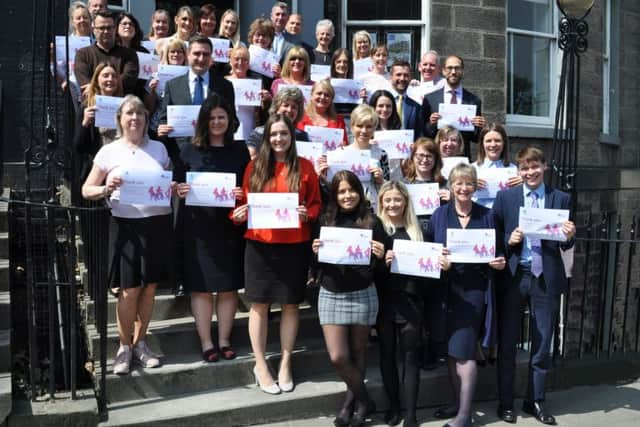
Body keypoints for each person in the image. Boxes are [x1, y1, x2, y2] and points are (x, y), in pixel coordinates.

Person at [81, 95, 174, 375]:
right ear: (120, 119)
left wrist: (176, 187)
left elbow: (166, 182)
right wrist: (107, 188)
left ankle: (141, 343)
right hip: (125, 226)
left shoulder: (159, 149)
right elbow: (87, 190)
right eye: (129, 114)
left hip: (157, 225)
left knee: (149, 289)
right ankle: (124, 347)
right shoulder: (109, 151)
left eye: (140, 114)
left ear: (147, 119)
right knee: (129, 289)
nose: (135, 118)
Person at [232, 114, 321, 395]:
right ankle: (260, 364)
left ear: (291, 137)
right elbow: (241, 204)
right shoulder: (255, 166)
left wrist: (309, 214)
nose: (279, 139)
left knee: (291, 305)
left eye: (284, 134)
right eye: (274, 135)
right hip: (260, 245)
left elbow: (316, 204)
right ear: (267, 138)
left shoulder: (305, 167)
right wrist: (237, 214)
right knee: (258, 305)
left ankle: (285, 362)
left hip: (295, 244)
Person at [492, 146, 576, 425]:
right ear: (519, 171)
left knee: (542, 343)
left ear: (544, 166)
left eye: (535, 166)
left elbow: (566, 242)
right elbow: (494, 238)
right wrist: (509, 240)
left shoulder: (560, 198)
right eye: (524, 168)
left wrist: (569, 236)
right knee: (507, 343)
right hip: (516, 275)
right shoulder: (506, 198)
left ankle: (534, 401)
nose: (530, 172)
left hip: (546, 278)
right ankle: (505, 403)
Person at [427, 163, 505, 427]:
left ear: (475, 186)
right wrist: (439, 261)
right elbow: (428, 250)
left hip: (473, 292)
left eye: (469, 183)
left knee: (464, 352)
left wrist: (499, 262)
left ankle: (465, 414)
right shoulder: (439, 215)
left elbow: (500, 252)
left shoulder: (488, 216)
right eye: (458, 183)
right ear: (451, 186)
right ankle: (456, 403)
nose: (463, 188)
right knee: (451, 350)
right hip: (445, 290)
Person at [174, 94, 249, 363]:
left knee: (228, 287)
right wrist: (179, 190)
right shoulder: (187, 150)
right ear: (203, 121)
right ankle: (207, 342)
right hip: (197, 229)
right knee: (201, 287)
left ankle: (225, 339)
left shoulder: (240, 150)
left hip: (229, 227)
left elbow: (250, 186)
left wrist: (243, 193)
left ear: (230, 120)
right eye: (212, 117)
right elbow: (176, 186)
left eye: (222, 117)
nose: (217, 122)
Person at [311, 170, 385, 427]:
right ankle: (365, 400)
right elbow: (315, 265)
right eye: (341, 191)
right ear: (334, 194)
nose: (347, 195)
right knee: (338, 356)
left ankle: (348, 407)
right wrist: (315, 251)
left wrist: (380, 254)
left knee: (358, 352)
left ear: (360, 192)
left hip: (363, 293)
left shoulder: (372, 222)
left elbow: (383, 266)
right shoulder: (324, 221)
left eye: (351, 190)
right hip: (331, 293)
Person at [377, 181, 436, 427]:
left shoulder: (420, 232)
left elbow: (429, 273)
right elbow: (367, 270)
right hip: (384, 303)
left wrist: (439, 265)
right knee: (387, 356)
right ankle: (393, 407)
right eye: (388, 200)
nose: (392, 204)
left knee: (410, 357)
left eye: (397, 200)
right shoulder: (377, 230)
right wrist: (382, 261)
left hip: (411, 303)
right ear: (381, 202)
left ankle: (410, 414)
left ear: (405, 202)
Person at [158, 35, 236, 167]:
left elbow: (234, 121)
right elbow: (163, 119)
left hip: (214, 156)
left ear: (211, 57)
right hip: (181, 156)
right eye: (197, 54)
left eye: (206, 54)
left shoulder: (225, 86)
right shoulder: (173, 85)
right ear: (188, 55)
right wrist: (162, 128)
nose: (201, 59)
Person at [317, 104, 388, 212]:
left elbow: (388, 188)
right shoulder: (338, 154)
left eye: (369, 126)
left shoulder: (381, 154)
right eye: (359, 126)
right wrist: (323, 177)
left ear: (374, 128)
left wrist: (381, 180)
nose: (364, 131)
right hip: (344, 209)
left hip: (372, 210)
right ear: (352, 127)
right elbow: (331, 188)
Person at [422, 55, 485, 159]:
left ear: (462, 71)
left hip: (462, 157)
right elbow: (423, 133)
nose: (453, 72)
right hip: (436, 158)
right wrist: (431, 124)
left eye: (457, 68)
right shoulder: (430, 99)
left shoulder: (474, 101)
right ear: (443, 71)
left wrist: (480, 127)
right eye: (449, 68)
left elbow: (475, 138)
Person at [74, 10, 139, 97]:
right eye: (101, 28)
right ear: (93, 30)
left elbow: (128, 80)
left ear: (115, 29)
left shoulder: (130, 54)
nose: (105, 31)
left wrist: (97, 87)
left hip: (122, 105)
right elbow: (85, 84)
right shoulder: (83, 54)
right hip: (93, 106)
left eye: (109, 28)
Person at [246, 87, 309, 159]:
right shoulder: (260, 133)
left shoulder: (302, 136)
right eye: (285, 105)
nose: (289, 110)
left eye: (294, 107)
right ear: (276, 107)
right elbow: (252, 160)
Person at [226, 46, 271, 143]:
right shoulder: (223, 82)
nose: (240, 63)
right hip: (227, 133)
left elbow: (263, 112)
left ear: (249, 63)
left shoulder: (256, 85)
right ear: (230, 61)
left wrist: (266, 101)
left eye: (244, 60)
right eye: (236, 59)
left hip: (250, 133)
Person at [471, 123, 522, 208]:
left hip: (504, 216)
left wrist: (524, 185)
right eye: (488, 141)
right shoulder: (471, 169)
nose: (493, 144)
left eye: (497, 140)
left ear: (504, 143)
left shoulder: (514, 169)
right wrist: (468, 185)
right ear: (482, 144)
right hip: (478, 217)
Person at [296, 79, 348, 146]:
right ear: (311, 95)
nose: (322, 97)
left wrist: (343, 146)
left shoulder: (339, 120)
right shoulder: (300, 116)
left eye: (327, 95)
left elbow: (345, 144)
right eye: (319, 93)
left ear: (331, 99)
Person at [389, 60, 424, 139]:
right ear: (391, 76)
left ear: (410, 77)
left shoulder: (416, 107)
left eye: (406, 75)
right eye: (398, 74)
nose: (402, 78)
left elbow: (419, 134)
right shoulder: (381, 103)